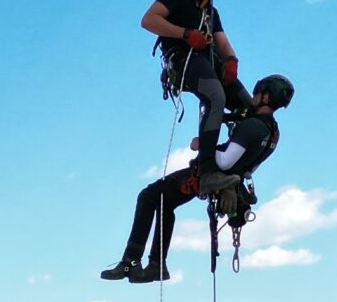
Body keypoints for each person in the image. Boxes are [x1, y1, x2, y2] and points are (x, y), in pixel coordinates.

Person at [102, 74, 296, 284]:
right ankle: (157, 265)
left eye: (258, 93)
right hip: (223, 181)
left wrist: (202, 144)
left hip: (208, 176)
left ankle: (131, 261)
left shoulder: (252, 126)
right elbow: (249, 168)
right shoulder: (273, 132)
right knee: (165, 203)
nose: (254, 96)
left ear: (266, 97)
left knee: (148, 196)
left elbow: (224, 162)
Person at [143, 0, 248, 138]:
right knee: (216, 97)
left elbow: (222, 42)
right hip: (183, 58)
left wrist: (231, 60)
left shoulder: (210, 11)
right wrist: (185, 34)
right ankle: (206, 160)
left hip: (207, 61)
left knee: (249, 109)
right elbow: (149, 20)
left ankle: (230, 154)